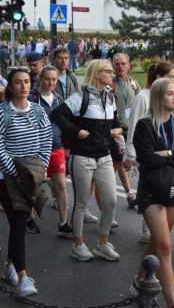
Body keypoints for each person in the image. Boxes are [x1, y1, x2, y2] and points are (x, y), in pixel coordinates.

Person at [131, 78, 174, 308]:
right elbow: (147, 159)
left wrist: (166, 154)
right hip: (151, 190)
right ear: (159, 96)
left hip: (172, 188)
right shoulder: (145, 125)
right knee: (165, 246)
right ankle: (172, 302)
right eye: (170, 93)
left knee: (156, 243)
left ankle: (139, 280)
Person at [51, 59, 121, 261]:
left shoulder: (110, 97)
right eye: (108, 71)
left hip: (105, 156)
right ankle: (78, 244)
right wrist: (76, 131)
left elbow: (114, 122)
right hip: (82, 157)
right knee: (81, 203)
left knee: (111, 202)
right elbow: (57, 115)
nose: (112, 74)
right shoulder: (81, 96)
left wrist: (117, 130)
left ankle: (102, 243)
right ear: (97, 74)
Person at [0, 68, 52, 297]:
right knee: (19, 222)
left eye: (27, 82)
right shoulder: (2, 113)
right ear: (10, 87)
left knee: (17, 224)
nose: (24, 86)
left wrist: (39, 170)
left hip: (32, 175)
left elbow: (46, 141)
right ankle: (22, 277)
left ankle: (10, 266)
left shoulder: (39, 112)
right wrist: (13, 171)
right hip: (7, 178)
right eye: (18, 83)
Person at [124, 60, 174, 242]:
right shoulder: (143, 97)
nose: (173, 82)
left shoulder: (170, 98)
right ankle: (148, 228)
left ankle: (157, 227)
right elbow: (133, 125)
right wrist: (130, 153)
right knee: (150, 186)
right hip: (146, 151)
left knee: (164, 186)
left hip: (165, 152)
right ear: (158, 77)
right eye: (170, 77)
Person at [28, 66, 72, 236]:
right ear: (40, 79)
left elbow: (65, 123)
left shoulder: (60, 99)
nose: (51, 82)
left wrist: (67, 146)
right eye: (47, 79)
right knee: (35, 186)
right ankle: (30, 219)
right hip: (37, 149)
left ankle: (63, 223)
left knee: (61, 186)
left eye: (54, 79)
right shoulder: (32, 98)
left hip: (57, 147)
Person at [112, 53, 140, 206]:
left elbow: (140, 104)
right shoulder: (111, 84)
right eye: (117, 64)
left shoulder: (134, 83)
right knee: (117, 163)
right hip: (117, 130)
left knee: (122, 163)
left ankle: (130, 193)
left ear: (129, 65)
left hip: (133, 129)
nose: (120, 67)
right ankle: (129, 193)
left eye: (123, 63)